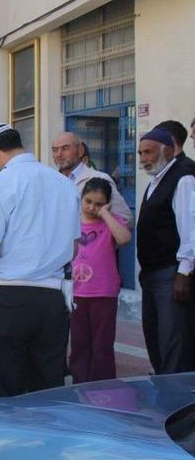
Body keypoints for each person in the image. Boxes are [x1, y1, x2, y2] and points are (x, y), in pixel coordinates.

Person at [0, 122, 80, 401]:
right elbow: (74, 248)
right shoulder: (64, 183)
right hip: (53, 300)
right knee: (47, 391)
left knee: (2, 391)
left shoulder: (0, 182)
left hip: (7, 298)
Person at [136, 127, 195, 375]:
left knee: (173, 342)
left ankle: (175, 393)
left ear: (169, 151)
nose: (143, 158)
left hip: (171, 273)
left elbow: (190, 227)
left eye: (149, 152)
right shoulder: (156, 181)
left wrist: (184, 272)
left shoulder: (183, 178)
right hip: (152, 274)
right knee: (155, 338)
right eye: (140, 153)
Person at [69, 178, 131, 383]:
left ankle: (104, 388)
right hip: (76, 292)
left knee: (102, 344)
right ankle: (80, 385)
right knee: (79, 343)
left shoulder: (111, 222)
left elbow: (124, 239)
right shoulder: (72, 222)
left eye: (98, 204)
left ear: (107, 204)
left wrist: (105, 214)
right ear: (81, 198)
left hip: (103, 292)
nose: (91, 208)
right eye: (88, 201)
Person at [52, 132, 133, 226]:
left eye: (65, 148)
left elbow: (126, 220)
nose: (59, 154)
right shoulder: (50, 181)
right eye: (55, 150)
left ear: (80, 151)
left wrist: (95, 232)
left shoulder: (99, 179)